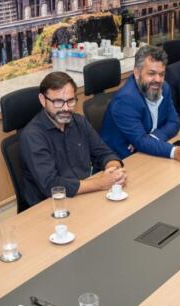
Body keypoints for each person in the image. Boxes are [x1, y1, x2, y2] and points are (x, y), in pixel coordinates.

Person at [19, 71, 125, 206]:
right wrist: (101, 183)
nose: (66, 108)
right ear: (42, 99)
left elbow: (105, 153)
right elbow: (52, 185)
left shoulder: (79, 122)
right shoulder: (32, 136)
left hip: (84, 196)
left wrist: (113, 170)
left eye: (70, 101)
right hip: (51, 206)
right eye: (58, 102)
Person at [101, 44, 180, 163]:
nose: (158, 80)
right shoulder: (125, 100)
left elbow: (174, 122)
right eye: (151, 73)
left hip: (150, 153)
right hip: (123, 162)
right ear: (137, 73)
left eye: (162, 74)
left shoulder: (165, 88)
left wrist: (153, 138)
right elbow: (141, 142)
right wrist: (175, 152)